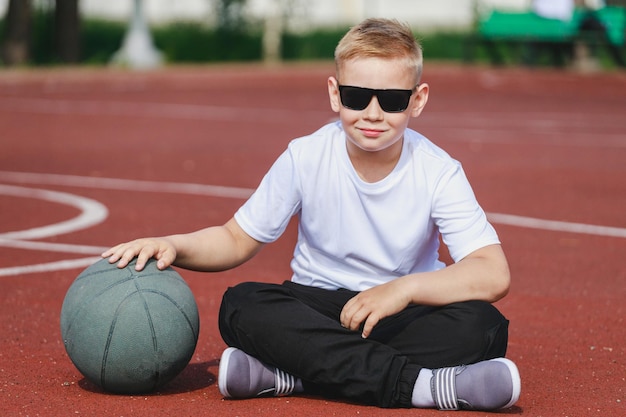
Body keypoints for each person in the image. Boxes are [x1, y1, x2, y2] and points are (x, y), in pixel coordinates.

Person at [103, 18, 521, 411]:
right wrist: (172, 245)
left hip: (398, 314)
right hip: (318, 307)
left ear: (418, 100)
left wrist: (404, 290)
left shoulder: (438, 170)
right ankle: (423, 388)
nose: (373, 114)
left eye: (392, 101)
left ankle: (298, 374)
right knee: (240, 305)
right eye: (358, 96)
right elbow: (235, 239)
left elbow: (492, 272)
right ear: (335, 94)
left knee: (482, 327)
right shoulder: (305, 156)